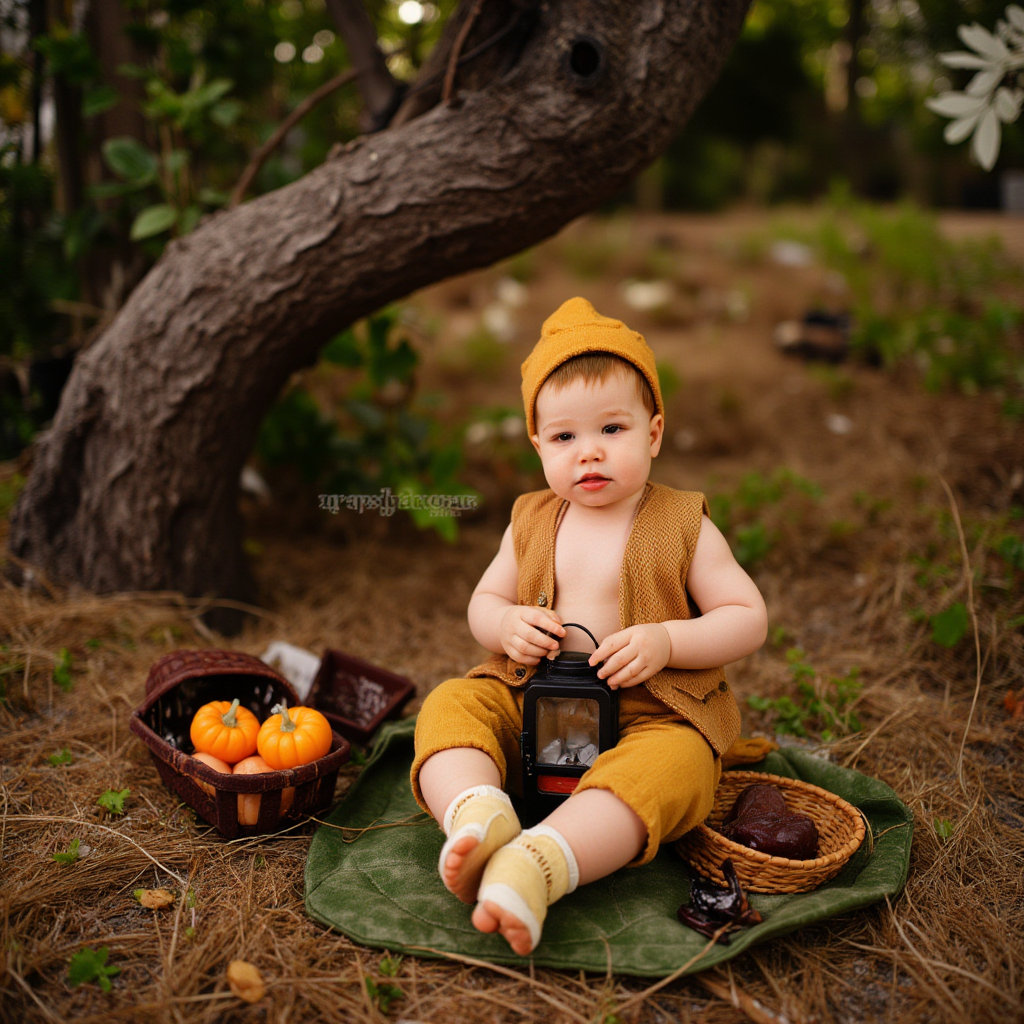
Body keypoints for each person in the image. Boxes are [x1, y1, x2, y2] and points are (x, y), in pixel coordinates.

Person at [411, 297, 768, 956]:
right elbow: (483, 601)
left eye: (612, 429)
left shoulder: (683, 523)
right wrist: (507, 622)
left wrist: (668, 641)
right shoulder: (531, 520)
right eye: (565, 437)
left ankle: (541, 862)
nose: (589, 454)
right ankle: (477, 810)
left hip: (650, 711)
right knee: (450, 704)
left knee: (675, 767)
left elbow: (747, 619)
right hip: (530, 699)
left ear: (653, 433)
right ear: (539, 443)